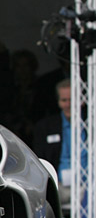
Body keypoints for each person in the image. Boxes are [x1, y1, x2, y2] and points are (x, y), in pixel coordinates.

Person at [33, 79, 80, 209]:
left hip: (88, 187)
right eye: (64, 100)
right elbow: (39, 160)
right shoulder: (45, 127)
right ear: (58, 102)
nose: (68, 105)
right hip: (58, 186)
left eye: (72, 100)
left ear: (81, 100)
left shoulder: (91, 126)